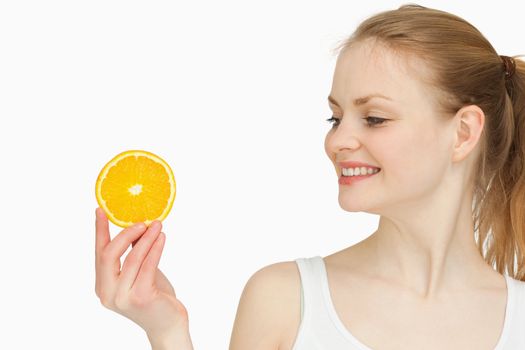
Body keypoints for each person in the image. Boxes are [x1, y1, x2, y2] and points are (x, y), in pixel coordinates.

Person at [94, 4, 525, 349]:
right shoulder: (285, 301)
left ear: (463, 132)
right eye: (334, 118)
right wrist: (167, 332)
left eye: (373, 118)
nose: (338, 141)